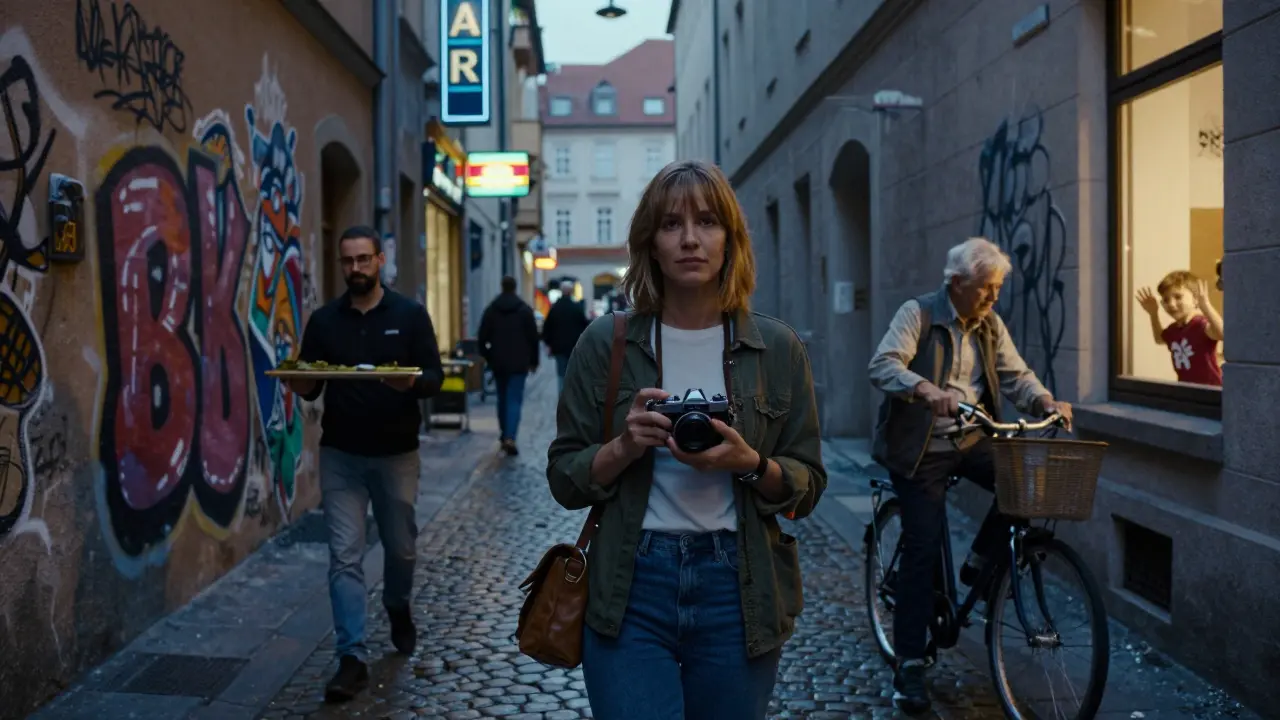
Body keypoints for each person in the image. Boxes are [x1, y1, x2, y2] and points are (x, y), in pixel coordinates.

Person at [547, 160, 827, 720]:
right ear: (650, 241)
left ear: (731, 239)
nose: (691, 239)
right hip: (631, 586)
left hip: (738, 587)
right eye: (672, 224)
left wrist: (749, 463)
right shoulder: (606, 344)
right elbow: (564, 478)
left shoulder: (776, 348)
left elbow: (808, 484)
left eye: (707, 222)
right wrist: (624, 446)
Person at [867, 236, 1072, 714]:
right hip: (921, 447)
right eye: (987, 288)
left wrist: (1045, 400)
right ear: (957, 283)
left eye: (997, 288)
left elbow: (1016, 374)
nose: (994, 297)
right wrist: (922, 387)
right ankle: (911, 664)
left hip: (973, 438)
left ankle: (978, 563)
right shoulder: (917, 314)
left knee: (1024, 486)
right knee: (921, 547)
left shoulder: (989, 324)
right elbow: (883, 365)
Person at [287, 225, 444, 703]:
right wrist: (295, 381)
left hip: (397, 454)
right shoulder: (325, 321)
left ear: (380, 260)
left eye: (363, 260)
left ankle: (397, 604)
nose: (354, 269)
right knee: (344, 556)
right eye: (347, 261)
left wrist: (410, 386)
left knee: (401, 549)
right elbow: (311, 382)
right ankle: (351, 657)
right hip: (341, 455)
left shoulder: (410, 315)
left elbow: (433, 376)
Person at [478, 275, 540, 455]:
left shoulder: (491, 310)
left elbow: (482, 338)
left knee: (502, 398)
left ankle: (504, 433)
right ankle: (510, 437)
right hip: (519, 363)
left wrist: (489, 356)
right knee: (514, 399)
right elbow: (533, 338)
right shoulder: (524, 310)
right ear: (515, 287)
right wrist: (533, 361)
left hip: (498, 362)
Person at [1135, 270, 1224, 386]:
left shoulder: (1200, 324)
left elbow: (1222, 333)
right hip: (1185, 389)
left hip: (1210, 391)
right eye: (1166, 300)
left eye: (1178, 297)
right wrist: (1153, 314)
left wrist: (1206, 306)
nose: (1171, 304)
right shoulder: (1174, 329)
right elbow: (1159, 339)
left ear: (1195, 299)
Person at [540, 279, 590, 392]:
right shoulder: (576, 308)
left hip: (558, 347)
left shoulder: (555, 308)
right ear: (571, 292)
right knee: (572, 373)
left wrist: (548, 343)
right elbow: (585, 326)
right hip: (574, 346)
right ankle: (572, 397)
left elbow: (547, 327)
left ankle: (562, 398)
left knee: (561, 374)